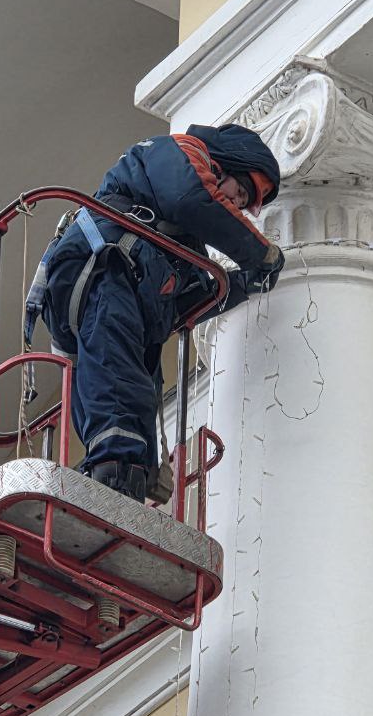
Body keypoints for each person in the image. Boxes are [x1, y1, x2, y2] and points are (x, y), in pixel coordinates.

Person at [26, 124, 283, 501]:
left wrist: (247, 283)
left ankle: (133, 477)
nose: (238, 205)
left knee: (135, 383)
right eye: (240, 191)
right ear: (226, 164)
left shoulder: (182, 244)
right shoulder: (178, 152)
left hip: (126, 288)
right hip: (107, 266)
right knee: (115, 369)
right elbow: (190, 198)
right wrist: (261, 254)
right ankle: (115, 470)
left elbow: (196, 298)